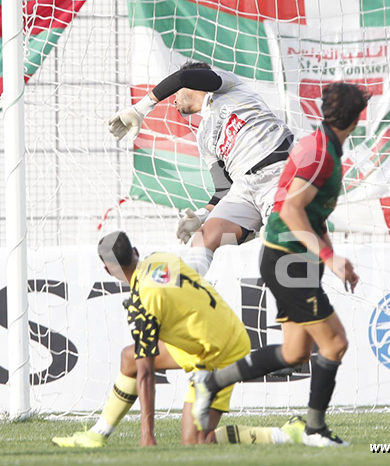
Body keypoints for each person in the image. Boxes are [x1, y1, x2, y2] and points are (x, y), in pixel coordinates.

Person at [190, 83, 370, 447]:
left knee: (295, 353)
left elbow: (311, 214)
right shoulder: (320, 152)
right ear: (357, 118)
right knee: (334, 344)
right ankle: (315, 431)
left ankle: (212, 381)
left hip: (292, 256)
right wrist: (330, 258)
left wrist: (330, 254)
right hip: (289, 259)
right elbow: (290, 210)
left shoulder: (320, 146)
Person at [52, 231, 303, 448]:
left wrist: (147, 434)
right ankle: (98, 434)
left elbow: (147, 372)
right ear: (136, 252)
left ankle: (285, 435)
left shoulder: (143, 303)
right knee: (130, 358)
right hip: (215, 334)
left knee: (195, 441)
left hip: (218, 353)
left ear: (108, 269)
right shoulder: (161, 259)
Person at [108, 62, 294, 276]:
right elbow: (223, 190)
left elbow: (182, 78)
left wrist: (140, 109)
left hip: (277, 175)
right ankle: (187, 293)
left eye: (174, 94)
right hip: (243, 191)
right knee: (204, 237)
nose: (173, 100)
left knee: (280, 250)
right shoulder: (203, 136)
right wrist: (201, 216)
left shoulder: (231, 87)